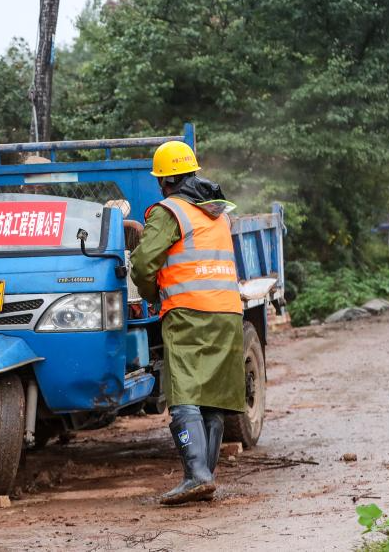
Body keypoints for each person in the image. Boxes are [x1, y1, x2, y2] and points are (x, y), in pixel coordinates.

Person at [130, 140, 245, 505]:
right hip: (227, 311)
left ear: (165, 181)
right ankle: (204, 479)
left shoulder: (169, 211)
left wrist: (151, 296)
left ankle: (196, 475)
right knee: (211, 397)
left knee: (184, 395)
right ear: (193, 173)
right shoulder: (218, 211)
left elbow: (144, 263)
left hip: (189, 312)